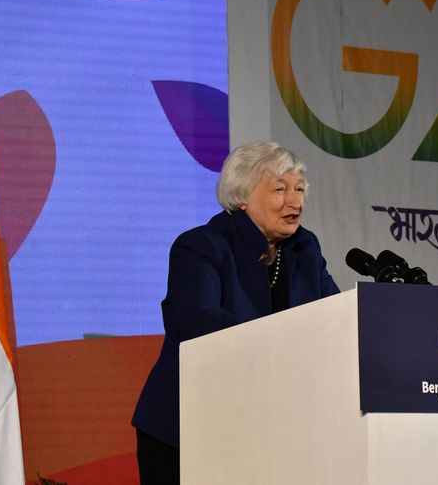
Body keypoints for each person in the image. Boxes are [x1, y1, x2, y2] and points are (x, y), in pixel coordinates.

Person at [131, 141, 339, 484]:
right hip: (187, 429)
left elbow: (334, 317)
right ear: (242, 195)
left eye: (300, 189)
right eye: (280, 189)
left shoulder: (305, 248)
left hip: (272, 427)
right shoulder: (201, 246)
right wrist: (285, 340)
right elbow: (196, 322)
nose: (295, 201)